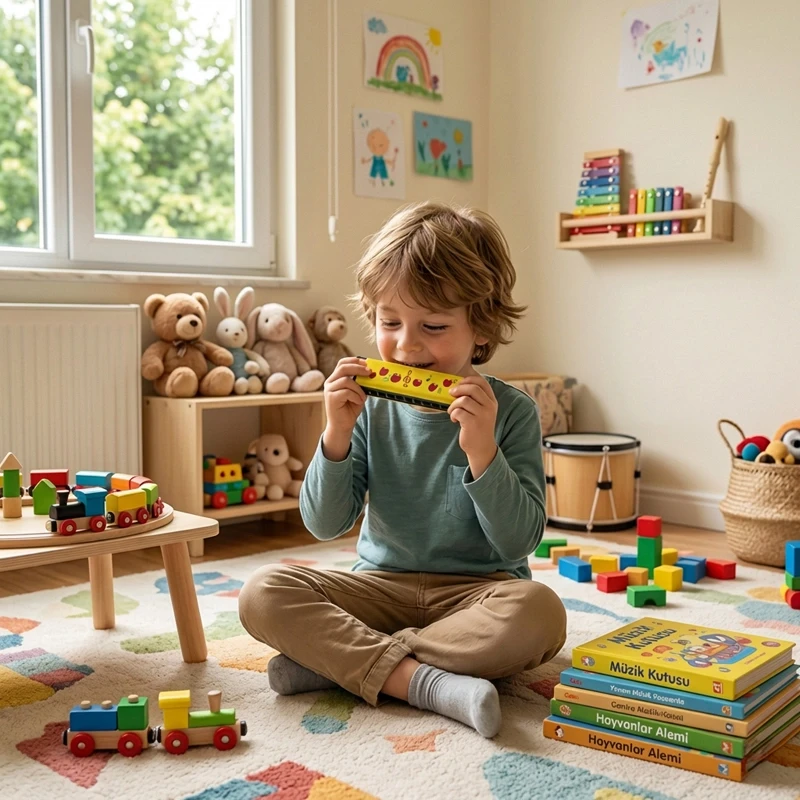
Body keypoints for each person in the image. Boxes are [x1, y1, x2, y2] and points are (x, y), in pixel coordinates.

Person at [238, 201, 567, 738]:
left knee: (541, 613)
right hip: (378, 591)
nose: (407, 344)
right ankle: (427, 682)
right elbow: (324, 523)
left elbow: (517, 541)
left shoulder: (513, 412)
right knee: (262, 591)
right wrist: (336, 434)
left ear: (482, 328)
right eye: (389, 322)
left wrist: (482, 451)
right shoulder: (368, 408)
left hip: (478, 595)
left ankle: (342, 664)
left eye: (433, 325)